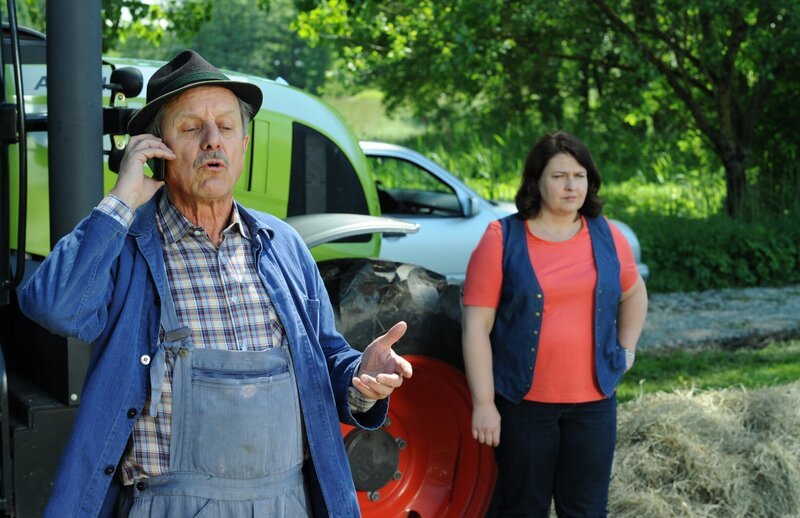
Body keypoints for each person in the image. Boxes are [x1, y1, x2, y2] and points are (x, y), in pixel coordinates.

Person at [18, 50, 412, 517]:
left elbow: (325, 360)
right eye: (190, 128)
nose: (212, 142)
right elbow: (53, 306)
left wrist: (360, 379)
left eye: (226, 128)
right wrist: (121, 199)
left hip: (285, 504)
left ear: (244, 144)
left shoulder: (282, 244)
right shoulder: (126, 246)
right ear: (156, 148)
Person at [462, 131, 648, 517]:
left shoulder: (608, 235)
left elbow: (634, 294)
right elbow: (476, 326)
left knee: (586, 509)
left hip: (594, 406)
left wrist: (625, 350)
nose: (571, 185)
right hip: (523, 408)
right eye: (559, 176)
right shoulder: (502, 238)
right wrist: (483, 403)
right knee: (522, 508)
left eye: (579, 175)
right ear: (536, 181)